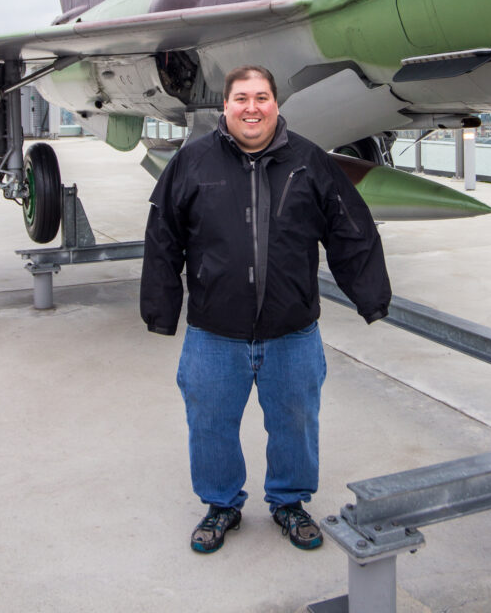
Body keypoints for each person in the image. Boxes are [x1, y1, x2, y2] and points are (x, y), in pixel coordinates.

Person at [140, 65, 391, 554]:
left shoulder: (310, 162)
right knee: (210, 424)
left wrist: (371, 296)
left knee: (296, 422)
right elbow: (163, 238)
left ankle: (290, 502)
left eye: (260, 97)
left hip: (291, 332)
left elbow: (351, 230)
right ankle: (220, 505)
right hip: (215, 333)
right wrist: (160, 311)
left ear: (276, 104)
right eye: (240, 98)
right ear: (226, 106)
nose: (251, 107)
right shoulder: (191, 163)